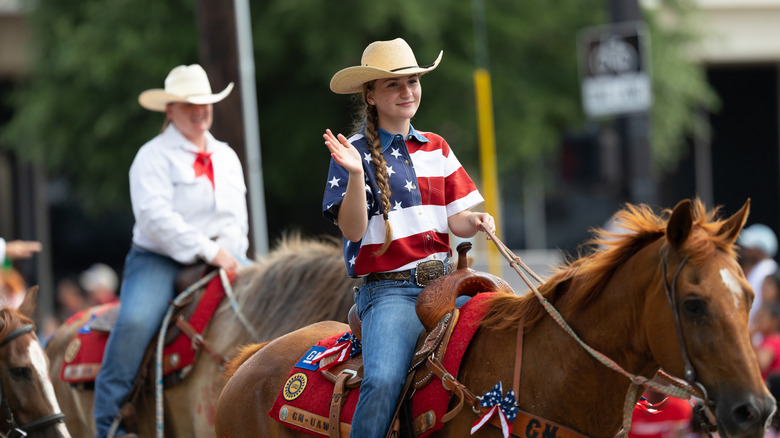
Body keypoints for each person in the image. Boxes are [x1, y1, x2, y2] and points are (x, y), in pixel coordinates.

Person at [322, 38, 495, 437]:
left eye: (413, 81)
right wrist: (352, 173)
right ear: (370, 95)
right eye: (393, 85)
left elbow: (457, 221)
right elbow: (352, 230)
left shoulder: (437, 146)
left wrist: (477, 219)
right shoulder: (355, 154)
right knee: (381, 381)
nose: (407, 92)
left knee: (509, 334)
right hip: (390, 292)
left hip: (449, 282)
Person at [93, 64, 249, 438]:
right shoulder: (152, 156)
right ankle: (109, 424)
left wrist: (226, 251)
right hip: (158, 257)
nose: (198, 111)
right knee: (135, 320)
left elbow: (235, 219)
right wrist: (209, 251)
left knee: (266, 299)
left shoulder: (226, 156)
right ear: (169, 110)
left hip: (223, 254)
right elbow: (155, 219)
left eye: (203, 103)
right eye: (187, 104)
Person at [738, 223, 778, 340]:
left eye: (750, 246)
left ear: (761, 249)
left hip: (758, 340)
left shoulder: (769, 271)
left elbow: (769, 307)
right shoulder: (756, 270)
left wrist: (752, 332)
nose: (745, 249)